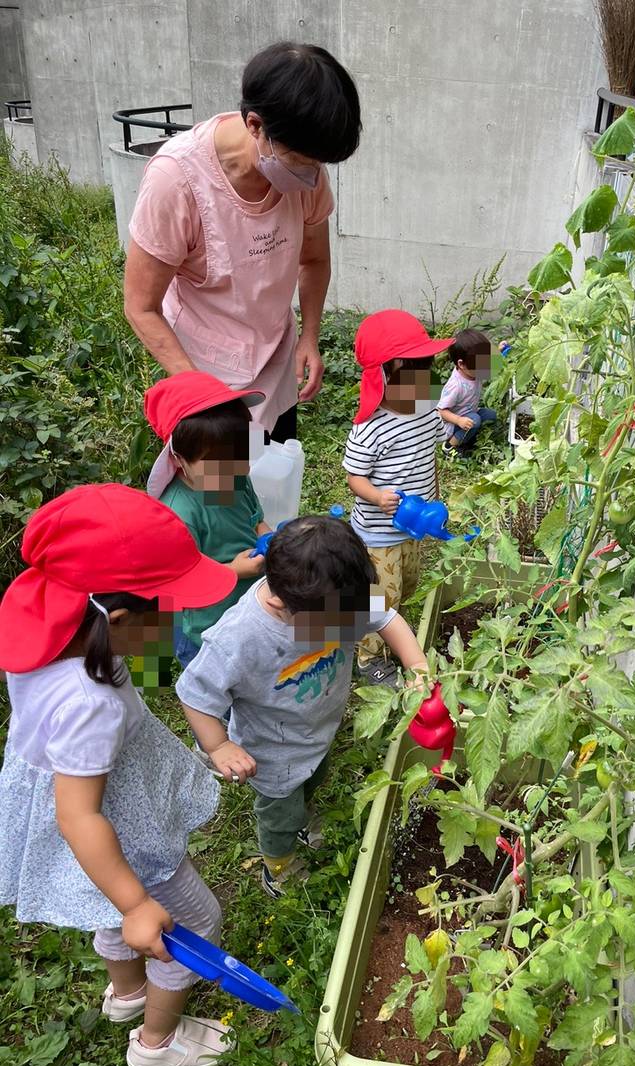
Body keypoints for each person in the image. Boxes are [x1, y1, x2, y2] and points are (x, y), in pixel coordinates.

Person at [0, 484, 240, 1066]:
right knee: (192, 921)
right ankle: (158, 1043)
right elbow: (80, 815)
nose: (177, 618)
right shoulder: (91, 701)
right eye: (171, 609)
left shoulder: (45, 618)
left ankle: (129, 991)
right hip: (112, 824)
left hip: (79, 807)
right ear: (125, 619)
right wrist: (135, 902)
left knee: (103, 904)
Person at [175, 516, 428, 898]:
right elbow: (194, 692)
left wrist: (418, 666)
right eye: (334, 622)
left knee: (312, 780)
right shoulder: (240, 637)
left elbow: (387, 619)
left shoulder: (339, 596)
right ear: (280, 602)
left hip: (317, 730)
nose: (348, 624)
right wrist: (219, 746)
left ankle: (304, 816)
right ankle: (278, 865)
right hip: (272, 752)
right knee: (279, 815)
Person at [124, 42, 361, 443]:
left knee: (276, 482)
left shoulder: (308, 174)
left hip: (274, 360)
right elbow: (141, 306)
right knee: (221, 497)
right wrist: (200, 395)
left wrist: (309, 336)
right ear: (255, 126)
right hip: (204, 369)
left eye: (319, 165)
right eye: (302, 163)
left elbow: (315, 260)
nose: (312, 176)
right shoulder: (177, 181)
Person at [342, 310, 454, 686]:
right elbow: (354, 477)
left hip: (412, 526)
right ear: (383, 377)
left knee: (403, 586)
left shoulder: (425, 408)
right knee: (377, 596)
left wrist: (434, 494)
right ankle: (368, 658)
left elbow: (432, 450)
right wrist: (376, 496)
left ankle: (396, 634)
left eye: (425, 368)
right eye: (412, 372)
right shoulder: (370, 426)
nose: (422, 380)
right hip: (378, 532)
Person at [144, 370, 272, 668]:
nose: (235, 470)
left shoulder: (238, 479)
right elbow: (179, 581)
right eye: (218, 464)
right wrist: (233, 572)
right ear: (178, 460)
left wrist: (266, 535)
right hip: (206, 625)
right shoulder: (179, 513)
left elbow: (255, 519)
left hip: (245, 603)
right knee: (217, 680)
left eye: (242, 455)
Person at [437, 328, 498, 456]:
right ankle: (450, 446)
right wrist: (459, 420)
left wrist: (501, 351)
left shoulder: (473, 370)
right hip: (452, 424)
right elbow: (441, 411)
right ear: (462, 364)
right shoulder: (456, 385)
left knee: (491, 415)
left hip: (470, 413)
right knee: (475, 420)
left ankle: (469, 437)